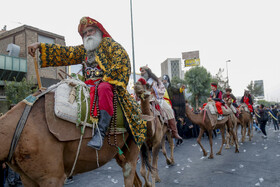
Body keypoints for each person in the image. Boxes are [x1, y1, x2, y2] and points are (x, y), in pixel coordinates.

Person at [28, 16, 147, 150]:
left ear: (99, 31)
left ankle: (101, 133)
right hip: (87, 84)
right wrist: (39, 45)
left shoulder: (109, 44)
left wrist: (107, 79)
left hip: (107, 84)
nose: (88, 34)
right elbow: (67, 52)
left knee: (103, 88)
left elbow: (122, 61)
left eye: (90, 31)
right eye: (85, 33)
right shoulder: (84, 50)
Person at [140, 66, 182, 139]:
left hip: (156, 99)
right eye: (141, 72)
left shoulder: (157, 81)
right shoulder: (141, 82)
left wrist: (154, 90)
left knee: (169, 110)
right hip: (145, 100)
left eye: (143, 71)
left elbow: (162, 90)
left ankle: (174, 132)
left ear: (147, 72)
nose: (142, 73)